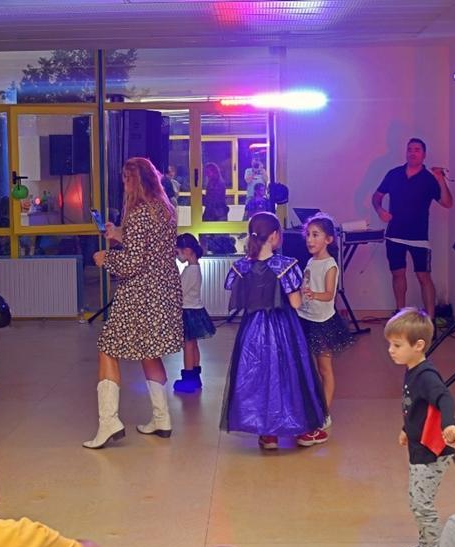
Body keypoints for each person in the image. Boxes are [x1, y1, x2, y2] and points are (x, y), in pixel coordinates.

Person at [85, 157, 183, 449]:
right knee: (150, 352)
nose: (123, 184)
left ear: (133, 180)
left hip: (140, 294)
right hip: (163, 291)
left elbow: (133, 262)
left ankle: (108, 422)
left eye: (125, 179)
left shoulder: (139, 212)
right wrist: (119, 235)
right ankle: (161, 418)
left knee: (107, 349)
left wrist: (106, 259)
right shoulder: (164, 209)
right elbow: (149, 246)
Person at [221, 212, 326, 451]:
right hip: (281, 329)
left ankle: (268, 434)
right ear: (276, 236)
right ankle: (302, 430)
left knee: (258, 377)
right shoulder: (285, 265)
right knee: (288, 375)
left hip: (251, 330)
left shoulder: (242, 266)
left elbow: (239, 297)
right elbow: (296, 303)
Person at [382, 309, 455, 547]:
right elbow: (415, 406)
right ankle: (426, 546)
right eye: (390, 345)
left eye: (397, 345)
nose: (390, 350)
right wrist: (407, 428)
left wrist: (449, 423)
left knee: (420, 502)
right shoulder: (412, 369)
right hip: (419, 445)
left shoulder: (426, 375)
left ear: (418, 346)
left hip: (432, 450)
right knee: (418, 500)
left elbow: (444, 398)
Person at [371, 138, 453, 318]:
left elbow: (447, 203)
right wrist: (380, 210)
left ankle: (430, 319)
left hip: (419, 237)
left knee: (424, 277)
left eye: (416, 150)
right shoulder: (394, 174)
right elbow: (376, 196)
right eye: (409, 149)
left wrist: (440, 179)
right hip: (394, 235)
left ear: (424, 154)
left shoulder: (429, 179)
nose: (412, 153)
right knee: (397, 275)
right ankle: (400, 316)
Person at [295, 214, 355, 447]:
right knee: (308, 366)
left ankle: (324, 413)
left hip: (323, 323)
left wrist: (311, 294)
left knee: (325, 369)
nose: (310, 240)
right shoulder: (310, 262)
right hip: (306, 319)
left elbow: (329, 294)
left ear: (328, 239)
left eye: (315, 235)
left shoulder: (330, 265)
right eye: (308, 235)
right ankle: (311, 405)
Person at [172, 233, 214, 394]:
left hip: (188, 311)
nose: (178, 256)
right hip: (195, 310)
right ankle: (195, 376)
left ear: (187, 251)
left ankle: (189, 379)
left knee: (187, 346)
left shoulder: (190, 271)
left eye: (178, 252)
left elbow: (179, 292)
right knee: (193, 345)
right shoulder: (194, 268)